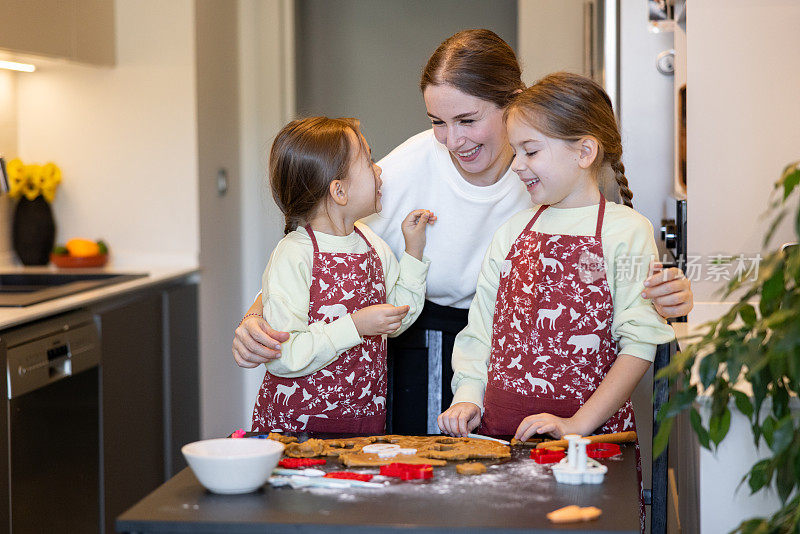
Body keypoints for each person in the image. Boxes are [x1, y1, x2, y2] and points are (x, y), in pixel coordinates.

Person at [233, 30, 694, 435]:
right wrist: (255, 319)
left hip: (524, 356)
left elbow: (624, 279)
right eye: (438, 122)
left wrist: (672, 296)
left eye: (468, 120)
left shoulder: (556, 166)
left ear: (513, 103)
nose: (453, 141)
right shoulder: (402, 172)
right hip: (422, 340)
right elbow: (318, 244)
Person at [437, 72, 675, 532]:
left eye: (530, 151)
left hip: (588, 451)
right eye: (516, 151)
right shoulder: (511, 231)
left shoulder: (626, 231)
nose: (517, 165)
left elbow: (639, 344)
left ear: (584, 152)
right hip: (499, 442)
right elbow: (480, 330)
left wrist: (576, 424)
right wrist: (467, 396)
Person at [250, 117, 434, 434]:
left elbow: (397, 320)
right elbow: (284, 355)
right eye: (369, 161)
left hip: (362, 422)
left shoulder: (371, 244)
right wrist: (355, 325)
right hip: (297, 427)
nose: (380, 171)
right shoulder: (294, 254)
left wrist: (413, 253)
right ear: (339, 190)